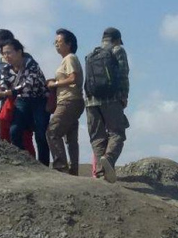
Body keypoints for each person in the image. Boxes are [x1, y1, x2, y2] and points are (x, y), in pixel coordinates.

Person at [0, 39, 50, 166]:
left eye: (9, 52)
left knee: (41, 133)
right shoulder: (6, 68)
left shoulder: (31, 65)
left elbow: (27, 85)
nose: (6, 56)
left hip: (39, 100)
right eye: (4, 53)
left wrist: (4, 93)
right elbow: (3, 84)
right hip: (22, 100)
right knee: (15, 130)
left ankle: (44, 165)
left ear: (19, 52)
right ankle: (24, 161)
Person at [85, 27, 130, 183]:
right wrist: (124, 96)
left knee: (97, 137)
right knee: (117, 133)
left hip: (91, 101)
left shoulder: (91, 54)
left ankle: (99, 172)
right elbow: (124, 74)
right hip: (111, 99)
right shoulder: (118, 50)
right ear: (117, 39)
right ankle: (108, 160)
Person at [0, 29, 35, 156]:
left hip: (24, 99)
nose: (1, 50)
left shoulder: (25, 58)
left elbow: (31, 79)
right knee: (4, 131)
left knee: (25, 133)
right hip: (6, 101)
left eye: (2, 45)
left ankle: (31, 163)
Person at [46, 28, 85, 175]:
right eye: (55, 42)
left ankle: (60, 166)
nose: (56, 44)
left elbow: (73, 78)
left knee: (52, 131)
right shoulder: (68, 59)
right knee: (71, 137)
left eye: (59, 41)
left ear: (68, 44)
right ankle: (74, 170)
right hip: (74, 101)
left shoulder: (69, 58)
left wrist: (54, 84)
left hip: (68, 100)